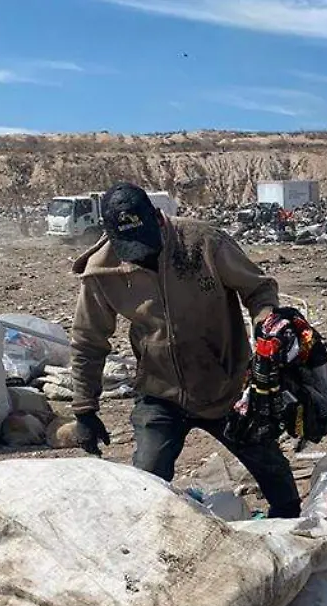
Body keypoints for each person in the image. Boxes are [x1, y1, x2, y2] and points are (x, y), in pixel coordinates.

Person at [69, 182, 301, 517]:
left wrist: (267, 326)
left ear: (158, 219)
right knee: (146, 482)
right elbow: (88, 340)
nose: (143, 255)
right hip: (161, 393)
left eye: (146, 243)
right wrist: (84, 410)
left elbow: (259, 288)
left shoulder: (203, 243)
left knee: (272, 470)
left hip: (226, 385)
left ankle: (295, 526)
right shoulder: (102, 272)